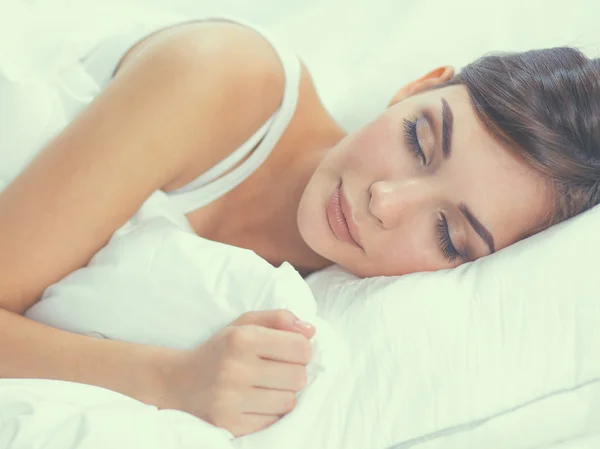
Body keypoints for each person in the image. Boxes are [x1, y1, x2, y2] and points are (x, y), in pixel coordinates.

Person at [1, 11, 599, 438]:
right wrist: (171, 382)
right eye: (418, 138)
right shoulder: (223, 77)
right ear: (417, 86)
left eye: (449, 234)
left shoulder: (310, 312)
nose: (386, 201)